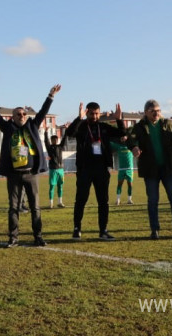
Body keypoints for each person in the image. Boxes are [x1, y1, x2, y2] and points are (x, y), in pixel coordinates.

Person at [0, 83, 59, 248]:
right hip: (14, 175)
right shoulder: (8, 128)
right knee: (13, 208)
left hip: (31, 174)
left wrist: (50, 96)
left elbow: (43, 112)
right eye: (18, 114)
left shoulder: (32, 125)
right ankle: (13, 238)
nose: (22, 116)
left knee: (35, 208)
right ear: (13, 117)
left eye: (24, 113)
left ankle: (38, 237)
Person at [128, 99, 172, 240]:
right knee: (153, 201)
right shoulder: (140, 127)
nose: (156, 113)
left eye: (158, 111)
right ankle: (155, 230)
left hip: (168, 168)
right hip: (151, 171)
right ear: (146, 112)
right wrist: (134, 147)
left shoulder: (167, 124)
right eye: (153, 111)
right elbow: (131, 139)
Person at [63, 102, 126, 241]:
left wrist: (119, 119)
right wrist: (79, 118)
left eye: (97, 113)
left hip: (102, 169)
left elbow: (122, 133)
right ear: (87, 113)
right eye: (91, 113)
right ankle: (77, 229)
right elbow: (69, 133)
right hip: (85, 169)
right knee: (81, 200)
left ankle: (103, 230)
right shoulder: (82, 127)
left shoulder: (103, 127)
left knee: (103, 201)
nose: (95, 116)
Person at [44, 129, 66, 209]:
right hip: (53, 170)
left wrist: (66, 130)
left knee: (60, 186)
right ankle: (51, 203)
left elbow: (64, 139)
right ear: (51, 140)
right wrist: (46, 132)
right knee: (52, 186)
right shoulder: (49, 148)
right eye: (53, 139)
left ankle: (60, 202)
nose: (55, 141)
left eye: (56, 139)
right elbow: (46, 142)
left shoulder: (60, 147)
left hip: (60, 170)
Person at [110, 140, 134, 206]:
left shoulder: (132, 146)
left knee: (130, 185)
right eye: (122, 137)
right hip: (121, 169)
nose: (124, 138)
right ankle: (118, 200)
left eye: (125, 136)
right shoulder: (118, 147)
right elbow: (110, 142)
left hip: (130, 169)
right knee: (119, 184)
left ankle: (129, 199)